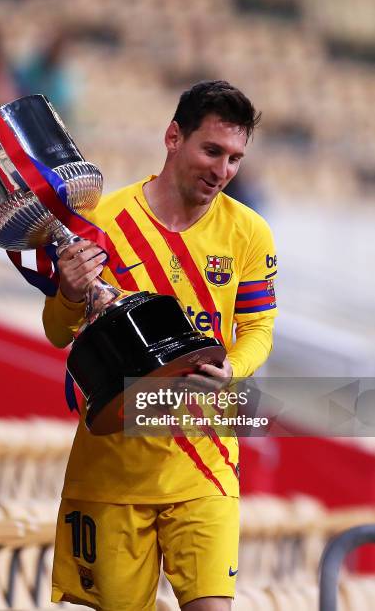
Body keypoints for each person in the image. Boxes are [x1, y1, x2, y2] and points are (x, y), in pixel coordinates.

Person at [43, 80, 278, 610]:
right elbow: (59, 331)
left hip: (206, 460)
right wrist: (67, 292)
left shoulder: (249, 233)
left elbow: (259, 328)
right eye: (211, 151)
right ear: (174, 137)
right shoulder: (103, 222)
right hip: (112, 468)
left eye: (235, 158)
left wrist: (234, 369)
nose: (222, 171)